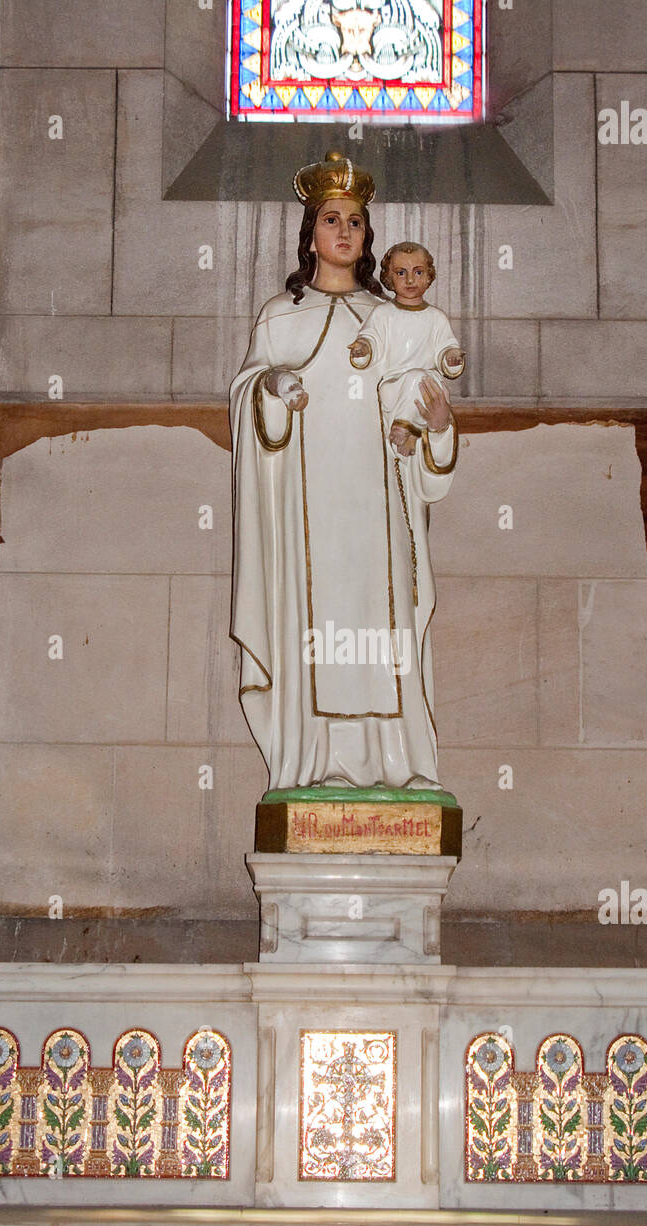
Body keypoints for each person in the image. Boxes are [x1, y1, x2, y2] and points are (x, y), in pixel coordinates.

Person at [228, 152, 458, 791]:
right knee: (315, 626)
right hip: (307, 513)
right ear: (311, 234)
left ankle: (397, 764)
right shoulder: (282, 315)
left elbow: (419, 397)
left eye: (356, 221)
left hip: (378, 508)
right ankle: (315, 765)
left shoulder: (389, 321)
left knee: (382, 623)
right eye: (332, 219)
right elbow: (249, 400)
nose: (345, 231)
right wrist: (271, 387)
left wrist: (434, 423)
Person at [349, 240, 465, 466]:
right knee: (414, 378)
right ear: (389, 278)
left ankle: (412, 433)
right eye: (401, 273)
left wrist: (451, 357)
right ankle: (405, 428)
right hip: (394, 388)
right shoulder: (383, 314)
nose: (410, 280)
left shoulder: (435, 317)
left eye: (418, 272)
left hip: (428, 389)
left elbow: (446, 348)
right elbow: (370, 338)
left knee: (426, 384)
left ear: (429, 276)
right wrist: (363, 347)